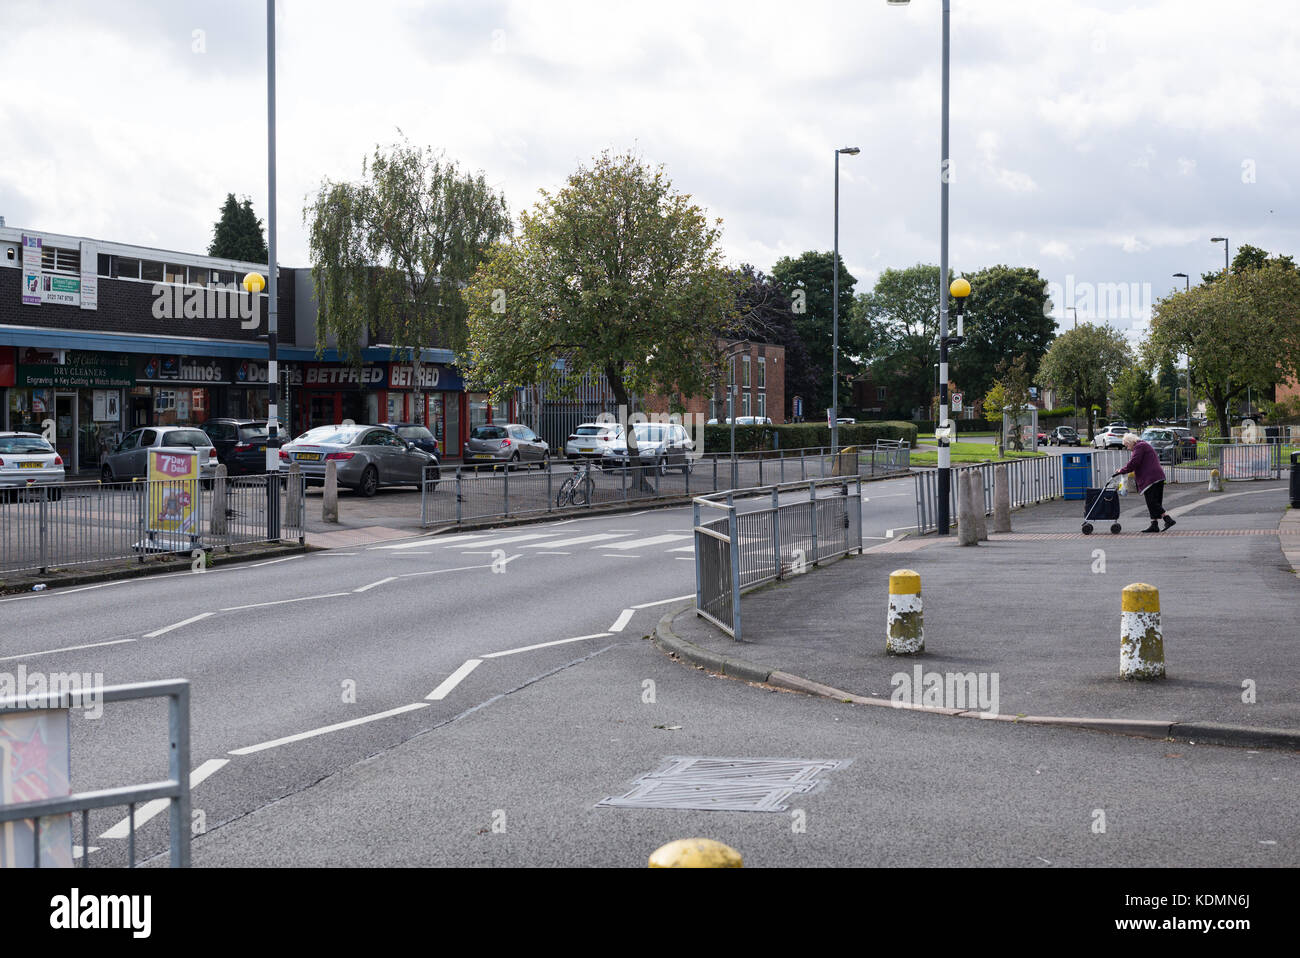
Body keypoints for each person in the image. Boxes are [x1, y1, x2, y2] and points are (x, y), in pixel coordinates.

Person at [1113, 432, 1176, 533]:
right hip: (1156, 476)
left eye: (1127, 445)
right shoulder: (1142, 445)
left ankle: (1168, 519)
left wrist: (1122, 470)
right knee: (1153, 502)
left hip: (1151, 478)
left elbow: (1134, 463)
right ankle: (1154, 524)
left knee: (1152, 501)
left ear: (1131, 442)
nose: (1128, 448)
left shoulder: (1139, 447)